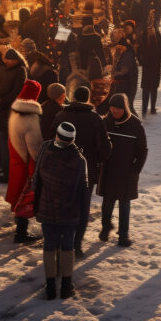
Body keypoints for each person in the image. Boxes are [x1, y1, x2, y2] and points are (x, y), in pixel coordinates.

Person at [51, 86, 111, 257]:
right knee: (82, 208)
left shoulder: (61, 116)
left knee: (64, 207)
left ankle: (62, 242)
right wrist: (98, 159)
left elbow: (51, 140)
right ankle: (76, 245)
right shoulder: (95, 118)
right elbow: (104, 147)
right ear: (87, 98)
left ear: (73, 97)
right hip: (86, 171)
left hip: (62, 170)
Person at [34, 121, 88, 300]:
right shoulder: (79, 160)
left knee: (49, 245)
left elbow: (37, 178)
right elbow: (83, 191)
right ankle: (66, 287)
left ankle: (50, 288)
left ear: (56, 135)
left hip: (47, 208)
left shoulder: (45, 149)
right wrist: (83, 218)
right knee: (67, 246)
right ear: (73, 140)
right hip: (69, 212)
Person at [98, 94, 148, 247]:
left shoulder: (135, 125)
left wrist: (135, 170)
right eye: (112, 107)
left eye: (118, 108)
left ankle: (123, 235)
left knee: (124, 204)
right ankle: (106, 228)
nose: (115, 111)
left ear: (124, 108)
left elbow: (142, 151)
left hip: (127, 172)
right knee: (107, 202)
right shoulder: (106, 122)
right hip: (108, 169)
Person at [6, 81, 44, 244]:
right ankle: (21, 233)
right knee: (25, 197)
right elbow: (35, 149)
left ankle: (19, 225)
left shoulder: (15, 111)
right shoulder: (29, 116)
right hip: (26, 163)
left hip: (16, 159)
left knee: (18, 194)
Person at [0, 48, 28, 183]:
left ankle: (8, 173)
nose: (7, 62)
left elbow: (15, 93)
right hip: (2, 112)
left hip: (8, 112)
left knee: (7, 144)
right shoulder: (7, 69)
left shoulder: (19, 71)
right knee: (3, 142)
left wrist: (0, 100)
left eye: (10, 60)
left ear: (16, 60)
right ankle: (6, 170)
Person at [138, 21, 161, 115]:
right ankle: (144, 108)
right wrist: (140, 61)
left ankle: (152, 108)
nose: (150, 30)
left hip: (155, 67)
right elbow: (139, 51)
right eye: (149, 28)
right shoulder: (143, 37)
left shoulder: (158, 38)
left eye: (152, 28)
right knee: (145, 88)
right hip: (147, 67)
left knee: (154, 88)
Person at [110, 38, 139, 114]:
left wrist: (115, 73)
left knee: (128, 106)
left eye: (119, 48)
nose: (118, 50)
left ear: (124, 47)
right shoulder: (126, 54)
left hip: (127, 86)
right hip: (128, 84)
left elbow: (124, 71)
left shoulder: (127, 55)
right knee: (127, 106)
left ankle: (136, 123)